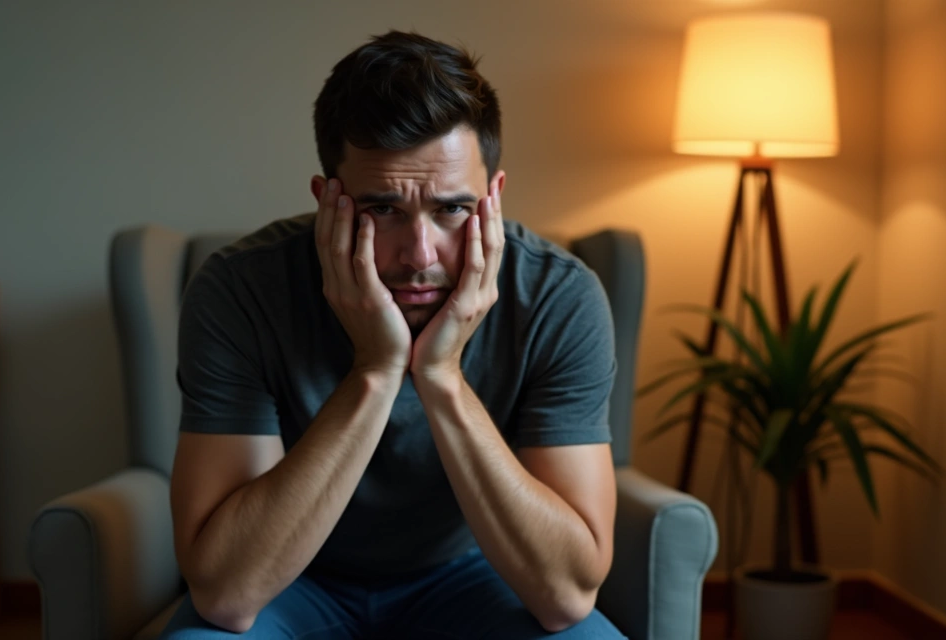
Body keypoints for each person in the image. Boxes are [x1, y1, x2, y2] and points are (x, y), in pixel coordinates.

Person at [160, 30, 627, 640]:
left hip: (476, 575)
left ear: (494, 198)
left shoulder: (558, 297)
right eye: (383, 209)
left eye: (452, 209)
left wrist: (441, 378)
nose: (419, 255)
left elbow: (566, 597)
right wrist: (375, 372)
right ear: (329, 200)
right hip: (293, 580)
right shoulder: (239, 291)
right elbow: (227, 594)